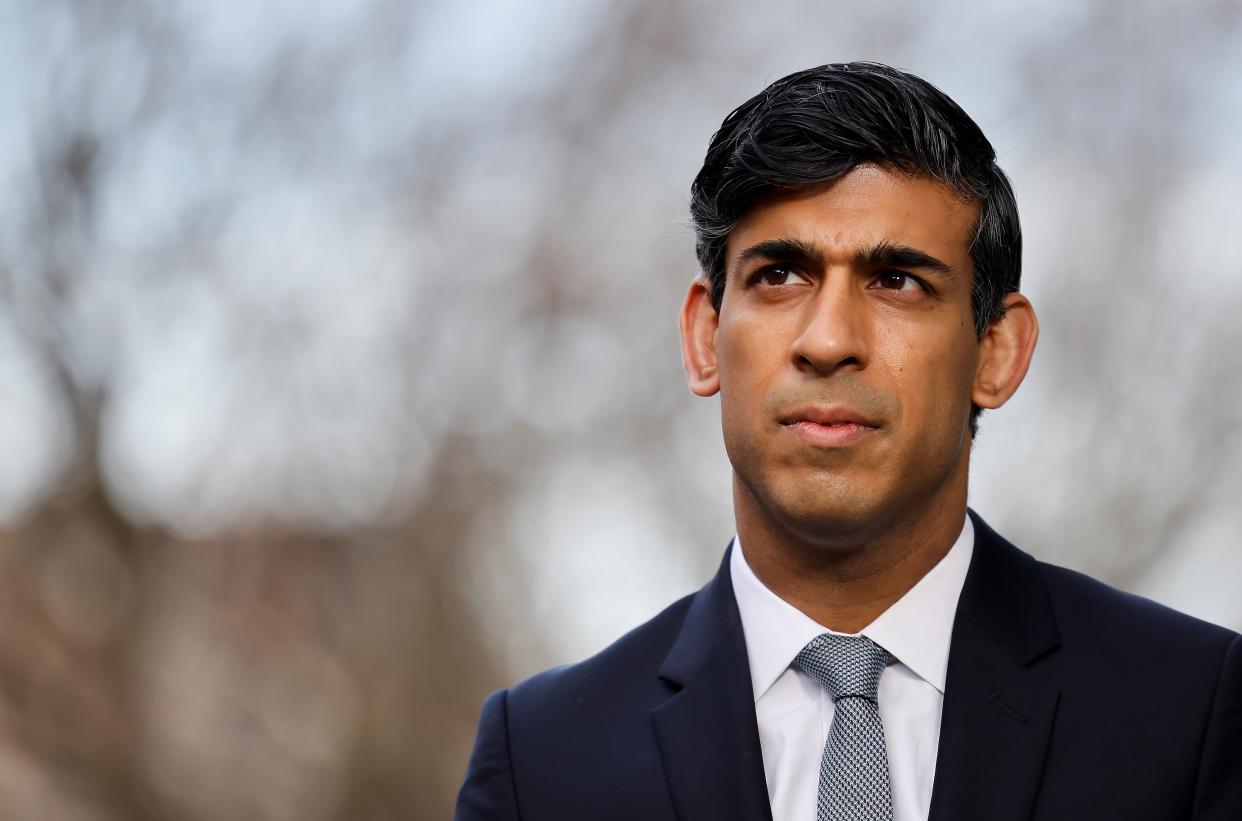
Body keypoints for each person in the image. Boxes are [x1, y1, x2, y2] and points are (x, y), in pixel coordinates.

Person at [454, 62, 1242, 821]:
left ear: (997, 351)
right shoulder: (542, 761)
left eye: (897, 281)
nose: (827, 340)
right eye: (779, 275)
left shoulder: (1193, 713)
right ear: (703, 336)